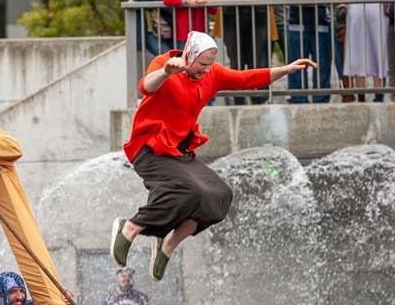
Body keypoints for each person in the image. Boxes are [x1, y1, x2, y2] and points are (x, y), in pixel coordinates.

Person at [111, 31, 317, 281]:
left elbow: (247, 78)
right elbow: (145, 85)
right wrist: (166, 71)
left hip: (179, 152)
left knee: (218, 196)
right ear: (190, 55)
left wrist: (286, 69)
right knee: (186, 190)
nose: (206, 71)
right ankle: (130, 227)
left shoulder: (212, 74)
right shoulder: (167, 64)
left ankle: (167, 245)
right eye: (202, 65)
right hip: (149, 148)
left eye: (210, 66)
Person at [211, 0, 280, 104]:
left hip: (259, 21)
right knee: (236, 61)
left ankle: (259, 98)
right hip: (231, 22)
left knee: (258, 59)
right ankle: (238, 98)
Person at [279, 0, 344, 104]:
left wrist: (318, 0)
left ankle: (321, 99)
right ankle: (298, 99)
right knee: (296, 66)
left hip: (322, 25)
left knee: (322, 66)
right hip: (296, 25)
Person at [342, 0, 395, 101]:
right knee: (357, 50)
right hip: (356, 10)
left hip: (378, 9)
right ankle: (361, 94)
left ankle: (379, 93)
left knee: (377, 49)